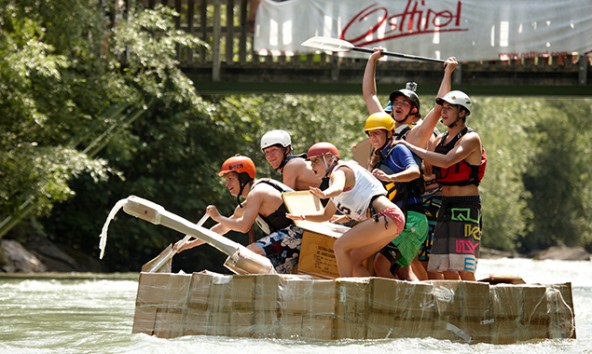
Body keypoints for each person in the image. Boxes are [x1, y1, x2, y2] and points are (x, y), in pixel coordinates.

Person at [363, 50, 458, 279]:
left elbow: (438, 107)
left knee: (400, 264)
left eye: (404, 104)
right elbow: (369, 94)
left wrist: (447, 73)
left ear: (414, 112)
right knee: (403, 267)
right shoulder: (384, 129)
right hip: (392, 209)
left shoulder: (414, 137)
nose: (398, 106)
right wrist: (372, 61)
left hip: (411, 209)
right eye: (396, 102)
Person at [397, 90, 487, 281]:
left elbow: (446, 161)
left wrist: (410, 146)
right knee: (444, 267)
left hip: (466, 206)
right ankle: (454, 309)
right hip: (445, 205)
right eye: (442, 108)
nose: (443, 113)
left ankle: (474, 306)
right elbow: (428, 169)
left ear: (462, 112)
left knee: (464, 267)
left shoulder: (471, 139)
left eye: (449, 109)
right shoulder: (439, 140)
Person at [286, 142, 405, 277]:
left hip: (388, 217)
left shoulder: (340, 170)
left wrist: (325, 194)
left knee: (340, 246)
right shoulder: (337, 179)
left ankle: (344, 292)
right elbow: (325, 215)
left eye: (316, 161)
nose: (312, 165)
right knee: (353, 260)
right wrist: (303, 217)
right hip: (392, 220)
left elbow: (337, 187)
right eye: (310, 162)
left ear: (330, 159)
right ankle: (371, 297)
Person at [174, 155, 303, 274]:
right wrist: (190, 244)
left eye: (230, 178)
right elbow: (222, 228)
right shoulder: (249, 202)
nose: (227, 184)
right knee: (242, 262)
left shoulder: (258, 193)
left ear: (243, 178)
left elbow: (243, 227)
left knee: (247, 256)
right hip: (291, 238)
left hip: (302, 233)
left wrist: (218, 216)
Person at [364, 112, 428, 281]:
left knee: (381, 264)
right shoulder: (377, 158)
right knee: (403, 272)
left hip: (412, 220)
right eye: (370, 134)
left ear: (389, 133)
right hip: (396, 221)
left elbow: (414, 171)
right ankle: (411, 304)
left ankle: (396, 305)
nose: (373, 138)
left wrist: (391, 177)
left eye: (377, 132)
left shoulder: (398, 149)